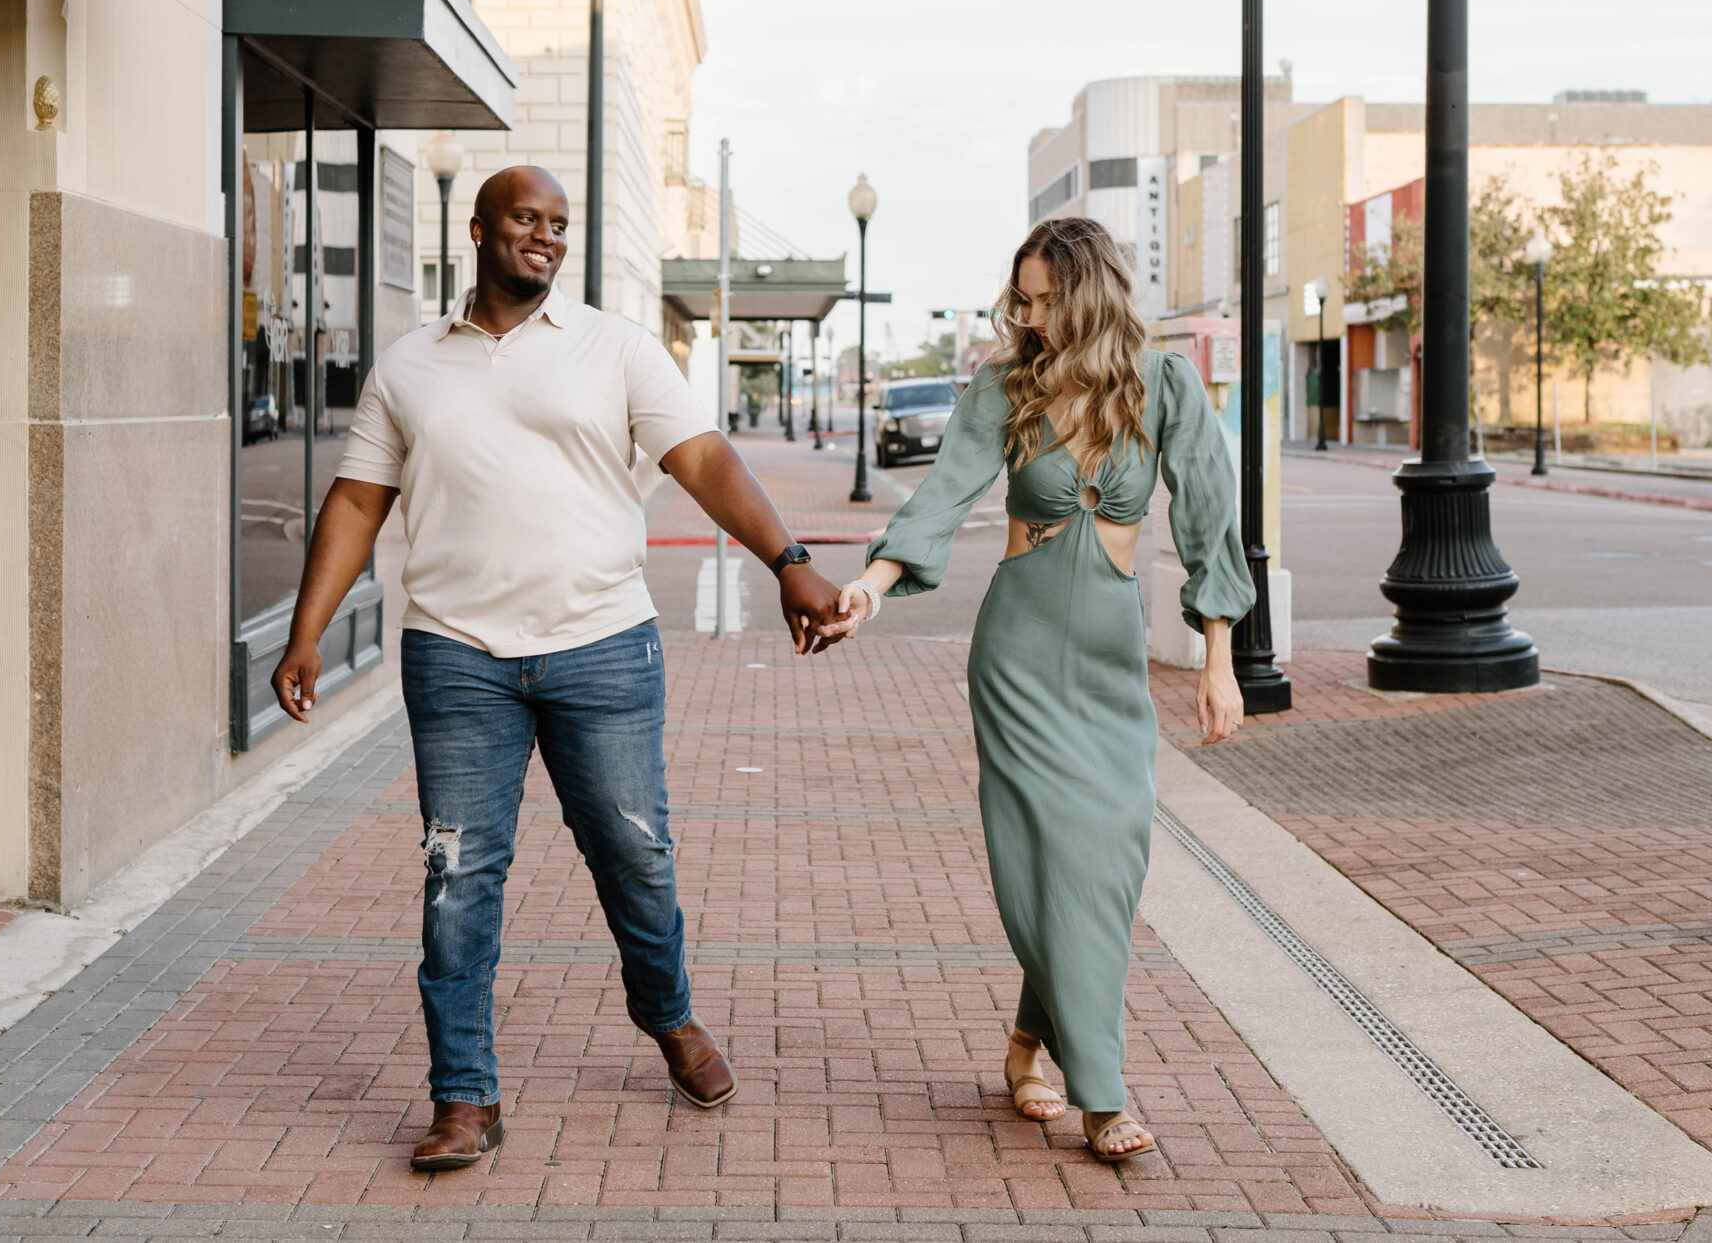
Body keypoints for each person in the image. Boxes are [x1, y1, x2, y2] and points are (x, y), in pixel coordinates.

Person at [270, 165, 848, 1174]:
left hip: (602, 648)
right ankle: (463, 1096)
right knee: (457, 876)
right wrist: (307, 629)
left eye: (558, 225)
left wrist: (787, 562)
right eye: (526, 220)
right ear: (479, 229)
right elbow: (359, 501)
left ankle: (667, 1017)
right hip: (455, 657)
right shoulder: (409, 367)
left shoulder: (614, 348)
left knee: (635, 854)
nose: (544, 236)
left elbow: (703, 460)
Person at [822, 216, 1254, 1164]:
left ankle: (1026, 1045)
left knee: (1102, 863)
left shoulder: (1165, 384)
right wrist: (872, 587)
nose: (1032, 312)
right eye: (1023, 296)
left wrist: (1217, 654)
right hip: (1017, 658)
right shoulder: (1004, 384)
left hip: (1110, 662)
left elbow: (1213, 521)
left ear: (1091, 291)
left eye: (1049, 297)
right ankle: (1103, 1096)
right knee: (1041, 866)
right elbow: (941, 496)